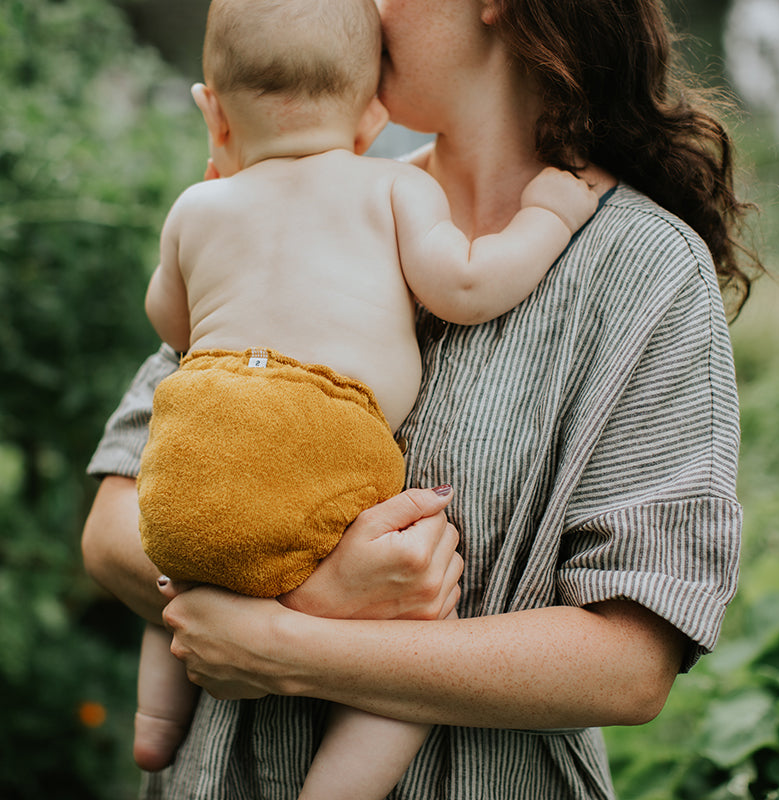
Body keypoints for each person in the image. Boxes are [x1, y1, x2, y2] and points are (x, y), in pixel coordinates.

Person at [82, 0, 763, 797]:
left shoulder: (646, 271)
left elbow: (631, 667)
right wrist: (311, 592)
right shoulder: (293, 201)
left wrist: (288, 642)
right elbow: (111, 525)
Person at [130, 0, 598, 795]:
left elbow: (171, 325)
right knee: (415, 636)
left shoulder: (197, 207)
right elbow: (467, 287)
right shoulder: (391, 188)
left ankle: (152, 725)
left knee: (188, 562)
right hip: (319, 446)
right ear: (374, 116)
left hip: (192, 449)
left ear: (215, 113)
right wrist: (548, 219)